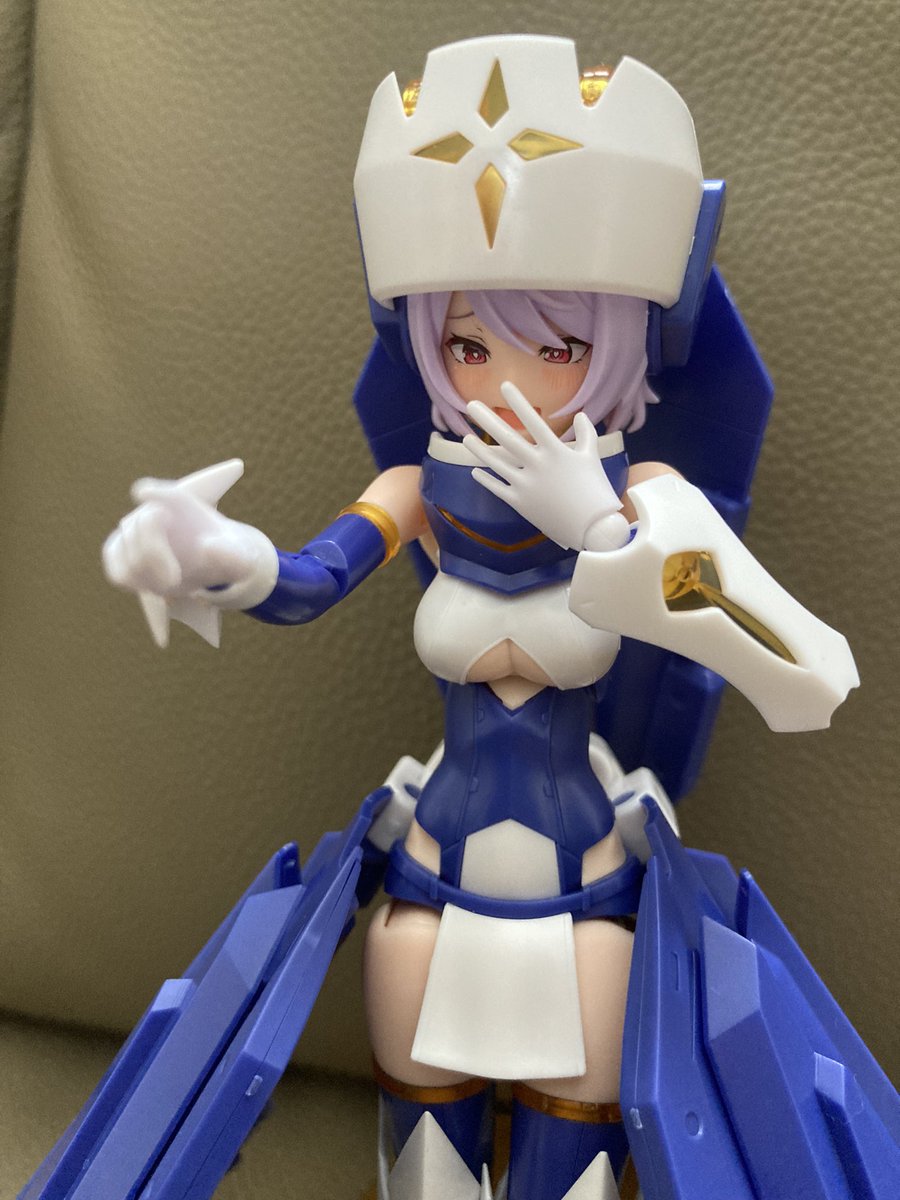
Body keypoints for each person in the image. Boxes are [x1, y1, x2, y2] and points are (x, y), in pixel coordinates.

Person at [102, 35, 858, 1200]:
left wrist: (598, 525)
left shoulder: (650, 500)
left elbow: (807, 674)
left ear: (620, 340)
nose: (502, 377)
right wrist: (224, 562)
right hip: (429, 877)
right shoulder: (421, 490)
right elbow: (310, 579)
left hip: (589, 889)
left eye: (555, 344)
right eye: (466, 340)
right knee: (420, 1142)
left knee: (581, 1138)